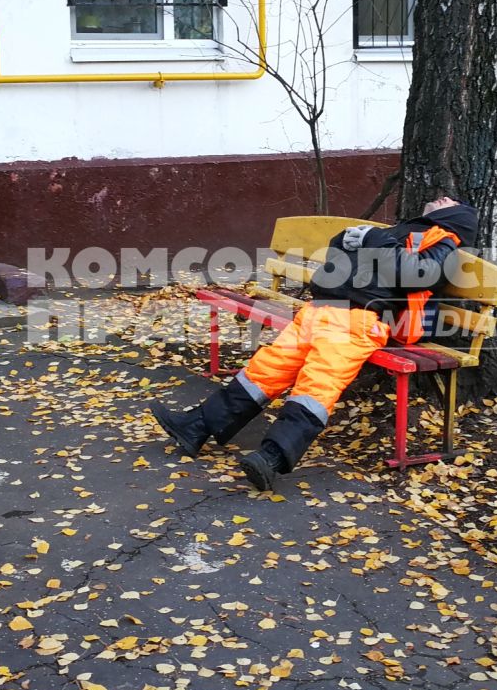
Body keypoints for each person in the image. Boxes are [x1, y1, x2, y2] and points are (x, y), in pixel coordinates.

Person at [150, 196, 480, 491]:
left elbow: (418, 274)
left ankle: (273, 458)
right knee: (263, 372)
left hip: (355, 321)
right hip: (319, 311)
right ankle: (197, 426)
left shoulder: (445, 240)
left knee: (316, 388)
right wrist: (356, 239)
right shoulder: (403, 232)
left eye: (449, 200)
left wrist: (374, 239)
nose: (441, 197)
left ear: (457, 217)